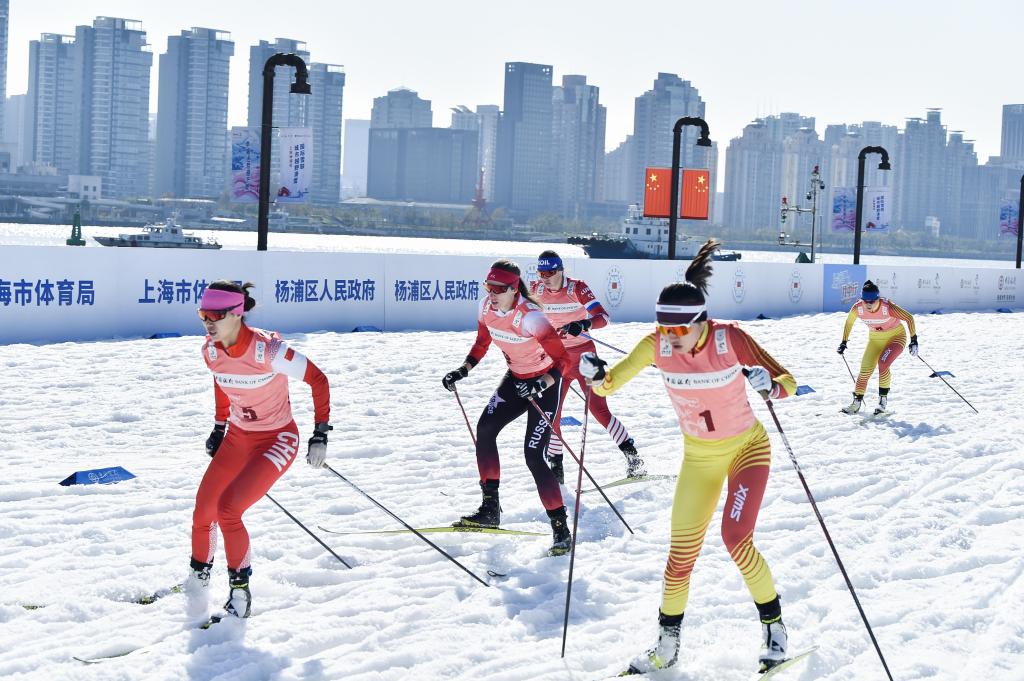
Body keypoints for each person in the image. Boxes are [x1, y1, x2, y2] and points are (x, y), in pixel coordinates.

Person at [578, 241, 797, 674]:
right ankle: (667, 646)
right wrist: (595, 374)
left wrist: (768, 386)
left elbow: (789, 382)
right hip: (699, 460)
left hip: (746, 451)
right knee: (680, 556)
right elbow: (608, 386)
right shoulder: (656, 344)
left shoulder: (729, 338)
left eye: (680, 331)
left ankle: (774, 628)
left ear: (702, 322)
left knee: (736, 540)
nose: (671, 339)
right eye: (665, 329)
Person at [185, 281, 332, 621]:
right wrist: (219, 427)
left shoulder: (269, 351)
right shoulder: (210, 350)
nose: (208, 322)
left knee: (228, 509)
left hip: (277, 439)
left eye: (215, 315)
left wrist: (320, 434)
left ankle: (240, 593)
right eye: (202, 314)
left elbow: (318, 380)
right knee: (202, 510)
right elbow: (223, 382)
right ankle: (198, 578)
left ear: (237, 314)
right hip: (239, 437)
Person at [441, 260, 573, 556]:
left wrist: (540, 385)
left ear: (515, 289)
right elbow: (482, 342)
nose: (492, 293)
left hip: (545, 387)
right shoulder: (486, 308)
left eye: (499, 289)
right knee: (485, 429)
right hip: (515, 380)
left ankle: (561, 529)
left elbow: (564, 361)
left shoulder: (531, 316)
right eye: (488, 287)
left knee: (533, 456)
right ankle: (490, 509)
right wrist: (463, 370)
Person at [529, 250, 646, 482]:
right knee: (552, 414)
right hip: (556, 359)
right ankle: (557, 469)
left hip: (584, 357)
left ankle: (633, 457)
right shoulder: (537, 289)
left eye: (550, 272)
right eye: (541, 273)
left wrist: (583, 323)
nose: (545, 278)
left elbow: (603, 317)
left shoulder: (577, 288)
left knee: (599, 410)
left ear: (561, 270)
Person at [837, 280, 918, 415]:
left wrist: (914, 340)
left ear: (877, 299)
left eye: (871, 301)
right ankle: (856, 403)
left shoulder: (887, 307)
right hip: (875, 340)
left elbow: (909, 318)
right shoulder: (858, 308)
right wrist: (844, 342)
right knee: (865, 370)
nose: (868, 304)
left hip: (895, 338)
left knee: (883, 363)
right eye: (865, 301)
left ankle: (882, 402)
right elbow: (849, 322)